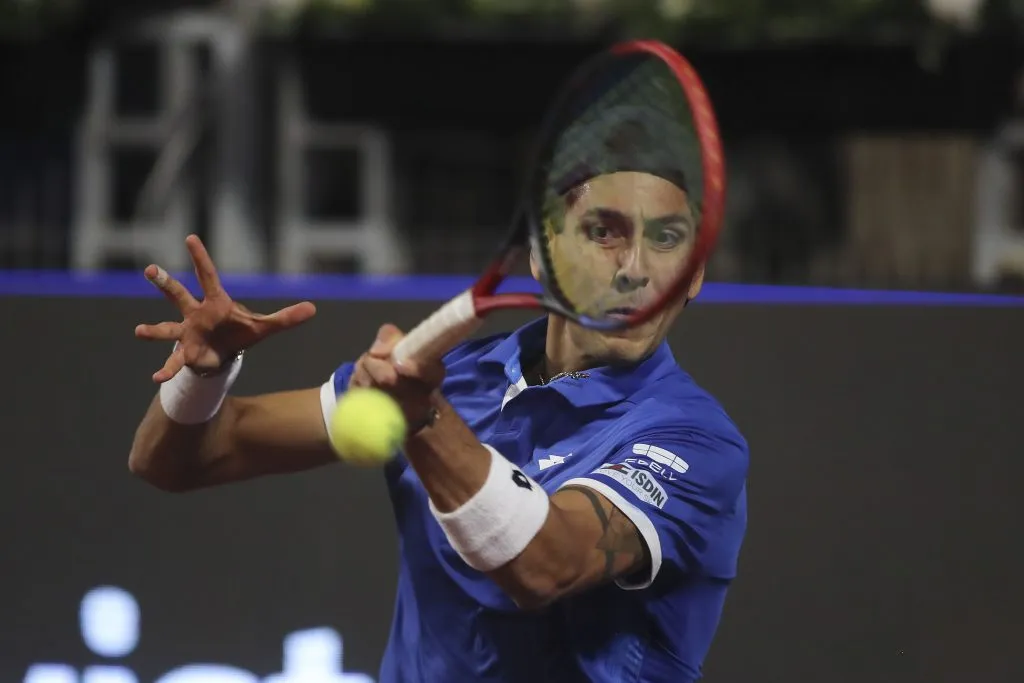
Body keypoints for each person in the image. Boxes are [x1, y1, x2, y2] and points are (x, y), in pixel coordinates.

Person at [130, 158, 749, 681]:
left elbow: (546, 565)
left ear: (693, 276)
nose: (637, 268)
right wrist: (204, 372)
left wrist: (423, 418)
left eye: (668, 240)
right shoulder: (458, 373)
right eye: (605, 233)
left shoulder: (694, 441)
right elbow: (177, 460)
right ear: (543, 254)